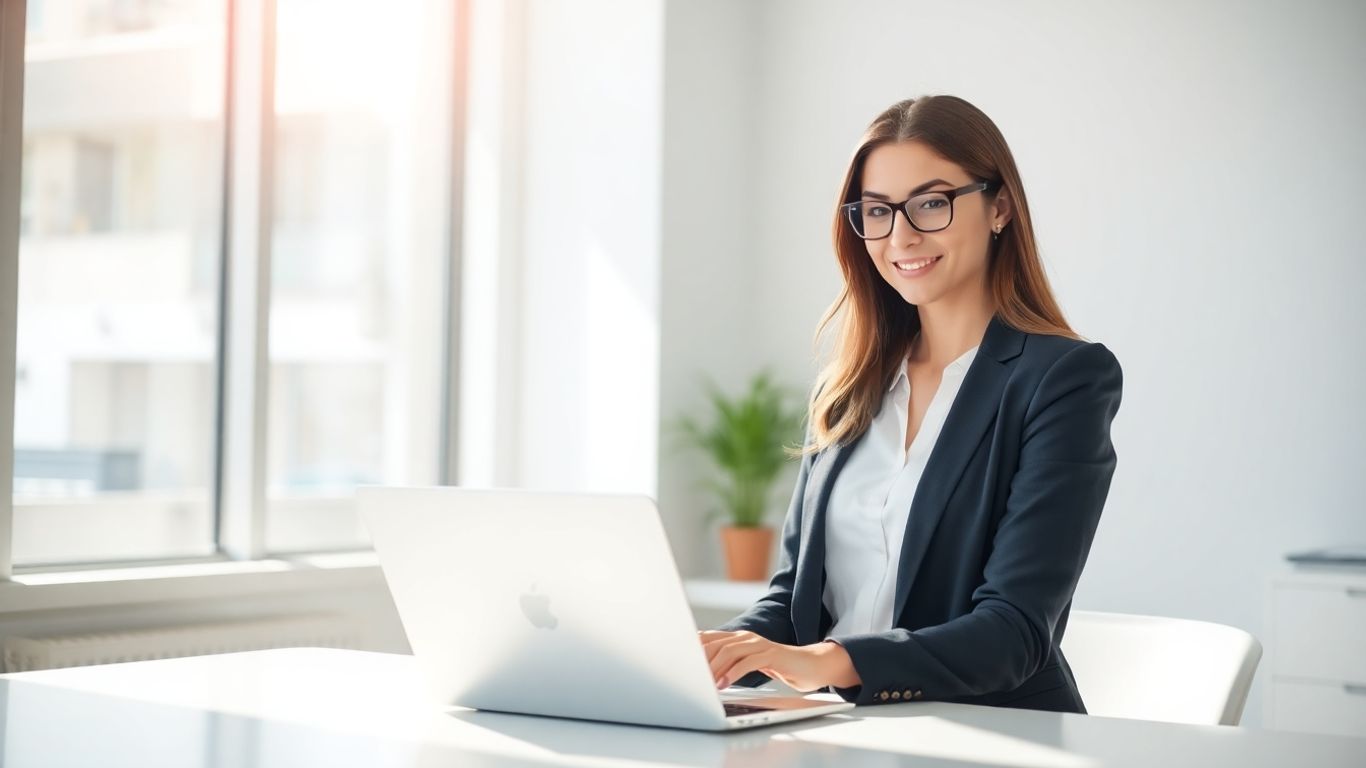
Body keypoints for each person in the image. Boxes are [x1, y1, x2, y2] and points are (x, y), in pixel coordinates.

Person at [698, 95, 1123, 713]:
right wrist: (721, 655)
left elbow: (1014, 631)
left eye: (931, 203)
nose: (900, 236)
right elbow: (795, 599)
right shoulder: (848, 385)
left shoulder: (1063, 380)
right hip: (845, 736)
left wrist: (828, 662)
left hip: (990, 737)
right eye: (876, 211)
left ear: (999, 206)